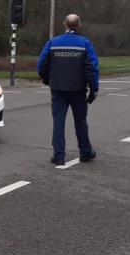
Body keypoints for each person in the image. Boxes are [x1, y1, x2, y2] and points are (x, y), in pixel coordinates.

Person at [37, 14, 100, 166]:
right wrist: (93, 88)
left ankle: (59, 156)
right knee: (81, 121)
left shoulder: (53, 42)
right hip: (78, 89)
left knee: (58, 122)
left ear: (65, 24)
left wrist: (47, 79)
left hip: (58, 89)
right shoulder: (85, 43)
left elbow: (41, 64)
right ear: (79, 25)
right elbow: (91, 68)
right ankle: (85, 152)